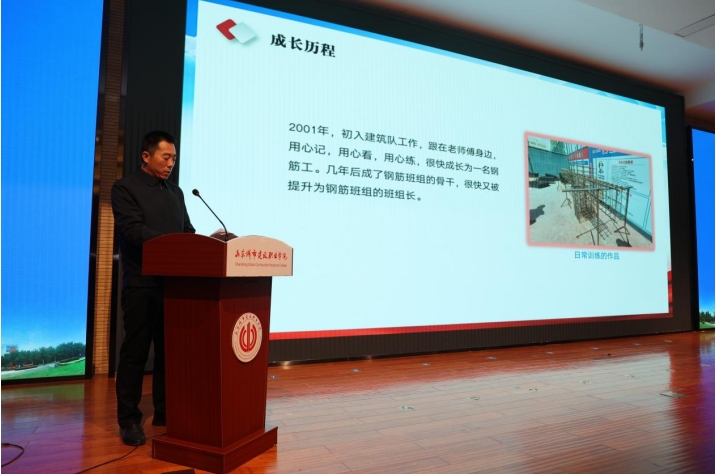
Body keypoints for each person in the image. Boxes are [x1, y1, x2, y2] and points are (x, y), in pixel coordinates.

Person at [111, 130, 195, 446]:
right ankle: (129, 420)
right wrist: (174, 243)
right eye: (166, 157)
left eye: (174, 158)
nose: (171, 164)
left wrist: (204, 242)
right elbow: (132, 231)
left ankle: (165, 412)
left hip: (174, 286)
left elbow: (188, 231)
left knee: (169, 354)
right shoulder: (125, 188)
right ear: (146, 156)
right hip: (141, 284)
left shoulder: (177, 192)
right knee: (135, 354)